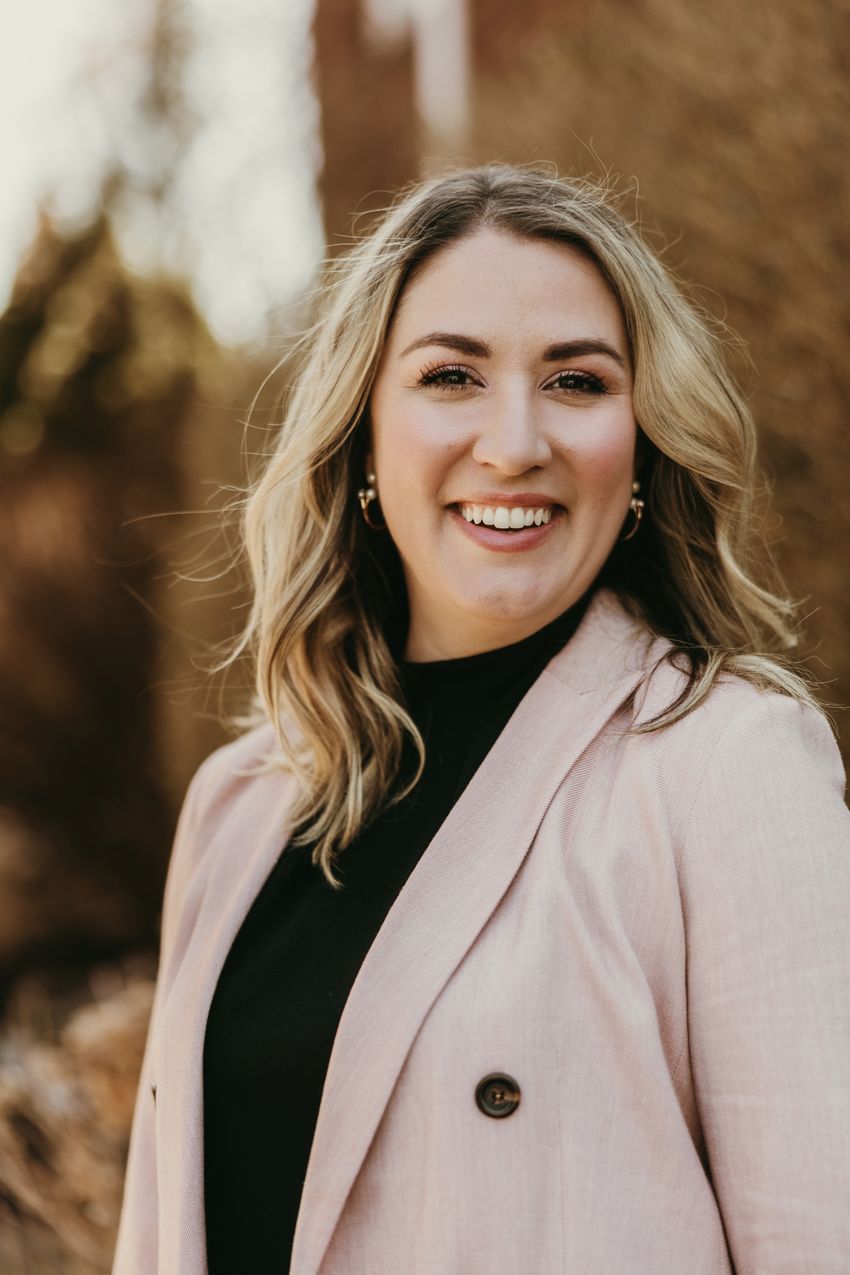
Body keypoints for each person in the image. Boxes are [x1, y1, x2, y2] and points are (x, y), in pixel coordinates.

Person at [112, 164, 850, 1275]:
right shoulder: (240, 803)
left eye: (576, 381)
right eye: (451, 375)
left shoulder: (728, 768)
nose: (514, 443)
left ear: (641, 441)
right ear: (364, 434)